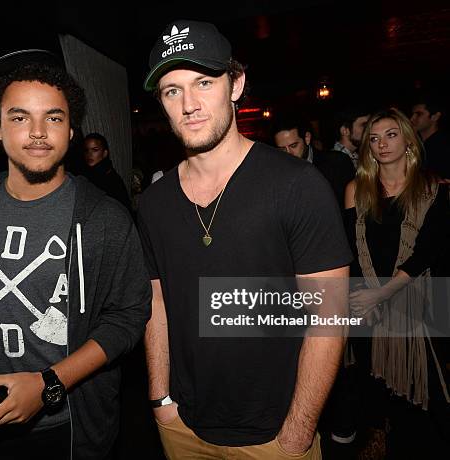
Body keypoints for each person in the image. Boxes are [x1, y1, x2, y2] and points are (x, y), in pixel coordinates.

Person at [0, 49, 151, 460]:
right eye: (20, 117)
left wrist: (49, 384)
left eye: (54, 117)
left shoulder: (104, 218)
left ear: (72, 130)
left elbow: (128, 318)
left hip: (71, 427)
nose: (38, 132)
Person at [138, 20, 352, 459]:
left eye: (203, 82)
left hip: (277, 434)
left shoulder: (298, 185)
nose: (189, 104)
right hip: (183, 426)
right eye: (172, 90)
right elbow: (155, 304)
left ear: (235, 84)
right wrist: (161, 401)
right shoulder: (153, 203)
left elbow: (328, 319)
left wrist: (297, 432)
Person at [344, 107, 450, 458]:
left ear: (407, 138)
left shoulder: (433, 188)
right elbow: (350, 251)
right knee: (373, 391)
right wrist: (364, 300)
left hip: (420, 303)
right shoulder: (356, 189)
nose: (382, 144)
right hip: (365, 305)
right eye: (374, 139)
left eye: (391, 134)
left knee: (427, 399)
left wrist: (383, 294)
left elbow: (427, 253)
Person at [272, 114, 355, 206]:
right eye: (282, 149)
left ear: (307, 138)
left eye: (293, 146)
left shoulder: (337, 163)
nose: (288, 153)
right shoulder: (276, 176)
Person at [82, 132, 131, 210]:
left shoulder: (110, 179)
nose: (89, 154)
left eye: (95, 150)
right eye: (86, 150)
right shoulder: (86, 177)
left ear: (104, 153)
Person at [410, 92, 450, 180]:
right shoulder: (415, 144)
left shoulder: (444, 147)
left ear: (435, 117)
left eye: (419, 114)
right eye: (412, 114)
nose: (412, 118)